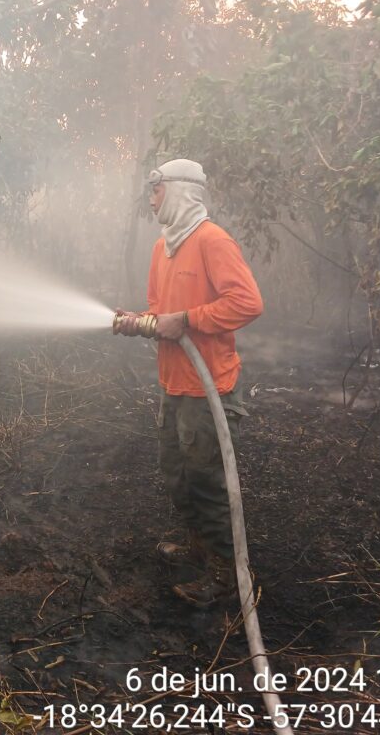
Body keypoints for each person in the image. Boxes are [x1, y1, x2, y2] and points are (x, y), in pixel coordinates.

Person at [115, 158, 263, 607]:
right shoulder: (164, 248)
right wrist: (137, 322)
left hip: (208, 388)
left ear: (179, 191)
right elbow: (162, 316)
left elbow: (247, 302)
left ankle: (226, 574)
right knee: (178, 476)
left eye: (157, 190)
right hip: (174, 384)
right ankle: (198, 547)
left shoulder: (212, 241)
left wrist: (189, 320)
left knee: (207, 481)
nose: (152, 198)